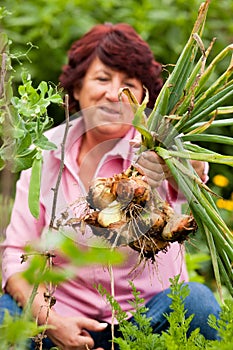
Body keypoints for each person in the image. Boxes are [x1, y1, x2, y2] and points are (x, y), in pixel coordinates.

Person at [0, 23, 220, 349]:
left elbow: (195, 176)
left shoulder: (159, 146)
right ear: (76, 88)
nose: (115, 93)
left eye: (129, 84)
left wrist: (173, 166)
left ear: (144, 96)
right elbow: (16, 252)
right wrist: (51, 321)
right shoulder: (45, 152)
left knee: (198, 304)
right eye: (103, 78)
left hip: (148, 318)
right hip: (62, 317)